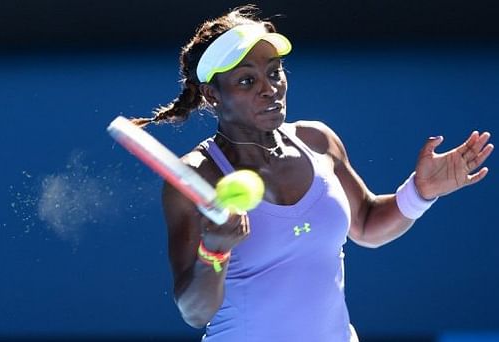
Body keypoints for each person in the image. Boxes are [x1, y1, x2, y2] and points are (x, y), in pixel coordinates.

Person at [133, 5, 494, 342]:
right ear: (212, 95)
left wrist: (421, 191)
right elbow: (195, 312)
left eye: (274, 72)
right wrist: (214, 251)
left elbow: (367, 225)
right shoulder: (195, 176)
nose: (269, 88)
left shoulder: (318, 140)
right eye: (246, 80)